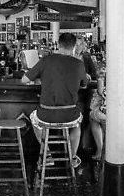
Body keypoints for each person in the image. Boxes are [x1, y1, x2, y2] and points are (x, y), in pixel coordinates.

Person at [21, 33, 87, 168]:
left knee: (34, 119)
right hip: (70, 116)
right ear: (74, 46)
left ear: (58, 44)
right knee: (77, 126)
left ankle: (48, 155)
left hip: (46, 115)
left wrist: (41, 77)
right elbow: (84, 85)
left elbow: (24, 80)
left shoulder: (46, 60)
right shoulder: (79, 64)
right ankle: (72, 157)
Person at [89, 74, 124, 161]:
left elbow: (100, 92)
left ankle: (100, 151)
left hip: (112, 113)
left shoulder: (103, 71)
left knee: (92, 115)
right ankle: (119, 151)